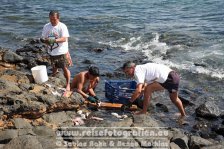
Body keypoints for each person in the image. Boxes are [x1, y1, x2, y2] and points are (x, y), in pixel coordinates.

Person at [122, 61, 186, 117]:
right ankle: (183, 115)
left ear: (132, 68)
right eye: (125, 73)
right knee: (174, 99)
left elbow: (138, 90)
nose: (127, 74)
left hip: (170, 79)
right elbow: (143, 87)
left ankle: (143, 111)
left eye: (127, 71)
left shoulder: (137, 72)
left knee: (148, 89)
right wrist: (136, 96)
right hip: (173, 75)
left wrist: (130, 102)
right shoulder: (141, 67)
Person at [41, 10, 71, 94]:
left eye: (54, 19)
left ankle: (68, 84)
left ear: (58, 18)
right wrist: (44, 40)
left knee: (65, 68)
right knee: (54, 68)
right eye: (50, 19)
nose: (52, 21)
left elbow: (64, 39)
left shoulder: (62, 26)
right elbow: (43, 37)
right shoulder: (46, 26)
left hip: (61, 51)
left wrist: (53, 40)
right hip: (51, 51)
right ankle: (54, 81)